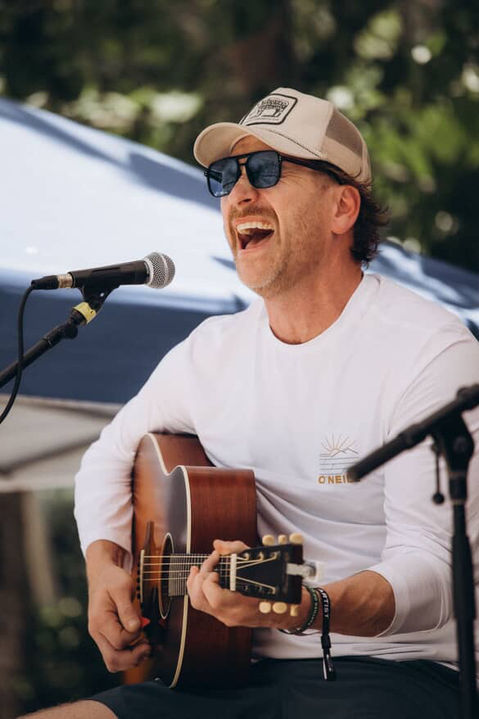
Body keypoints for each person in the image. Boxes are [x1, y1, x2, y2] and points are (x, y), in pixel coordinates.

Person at [21, 88, 479, 719]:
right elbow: (107, 457)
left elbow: (433, 572)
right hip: (224, 671)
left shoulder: (429, 350)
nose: (238, 194)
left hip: (397, 673)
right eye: (224, 176)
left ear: (342, 206)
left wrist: (306, 606)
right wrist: (105, 567)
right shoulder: (211, 351)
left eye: (265, 171)